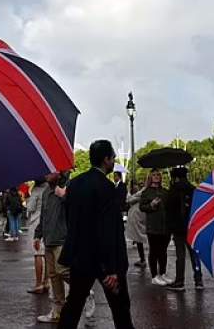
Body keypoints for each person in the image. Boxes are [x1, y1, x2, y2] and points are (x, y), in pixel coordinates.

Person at [57, 139, 134, 329]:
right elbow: (108, 230)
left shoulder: (75, 184)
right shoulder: (107, 188)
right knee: (120, 309)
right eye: (113, 157)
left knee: (73, 305)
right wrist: (111, 268)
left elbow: (71, 220)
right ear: (106, 159)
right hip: (105, 261)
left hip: (81, 256)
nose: (114, 160)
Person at [36, 172, 70, 323]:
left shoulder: (66, 187)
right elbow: (43, 216)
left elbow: (76, 208)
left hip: (61, 238)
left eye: (50, 171)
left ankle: (85, 291)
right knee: (54, 276)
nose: (46, 174)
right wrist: (37, 234)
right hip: (48, 239)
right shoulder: (45, 192)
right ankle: (58, 312)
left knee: (62, 270)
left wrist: (64, 196)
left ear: (60, 172)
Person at [164, 166, 203, 292]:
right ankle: (198, 280)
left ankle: (180, 281)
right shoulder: (192, 189)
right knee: (194, 253)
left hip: (178, 227)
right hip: (191, 225)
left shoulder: (173, 191)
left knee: (180, 254)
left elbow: (168, 209)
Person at [140, 168, 171, 286]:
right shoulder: (146, 192)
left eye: (158, 174)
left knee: (163, 251)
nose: (157, 176)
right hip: (153, 226)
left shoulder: (165, 191)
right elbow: (142, 207)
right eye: (154, 175)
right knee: (154, 251)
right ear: (150, 177)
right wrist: (151, 205)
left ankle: (162, 273)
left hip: (165, 226)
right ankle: (154, 276)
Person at [27, 179, 48, 293]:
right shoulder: (50, 188)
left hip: (36, 223)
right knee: (47, 253)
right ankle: (46, 282)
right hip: (48, 223)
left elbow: (30, 208)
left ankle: (38, 284)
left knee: (37, 253)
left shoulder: (37, 190)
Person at [125, 181, 147, 268]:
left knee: (139, 239)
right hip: (140, 216)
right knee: (139, 239)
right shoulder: (143, 191)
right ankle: (143, 259)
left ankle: (143, 260)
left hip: (138, 216)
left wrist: (129, 194)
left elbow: (129, 200)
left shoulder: (143, 191)